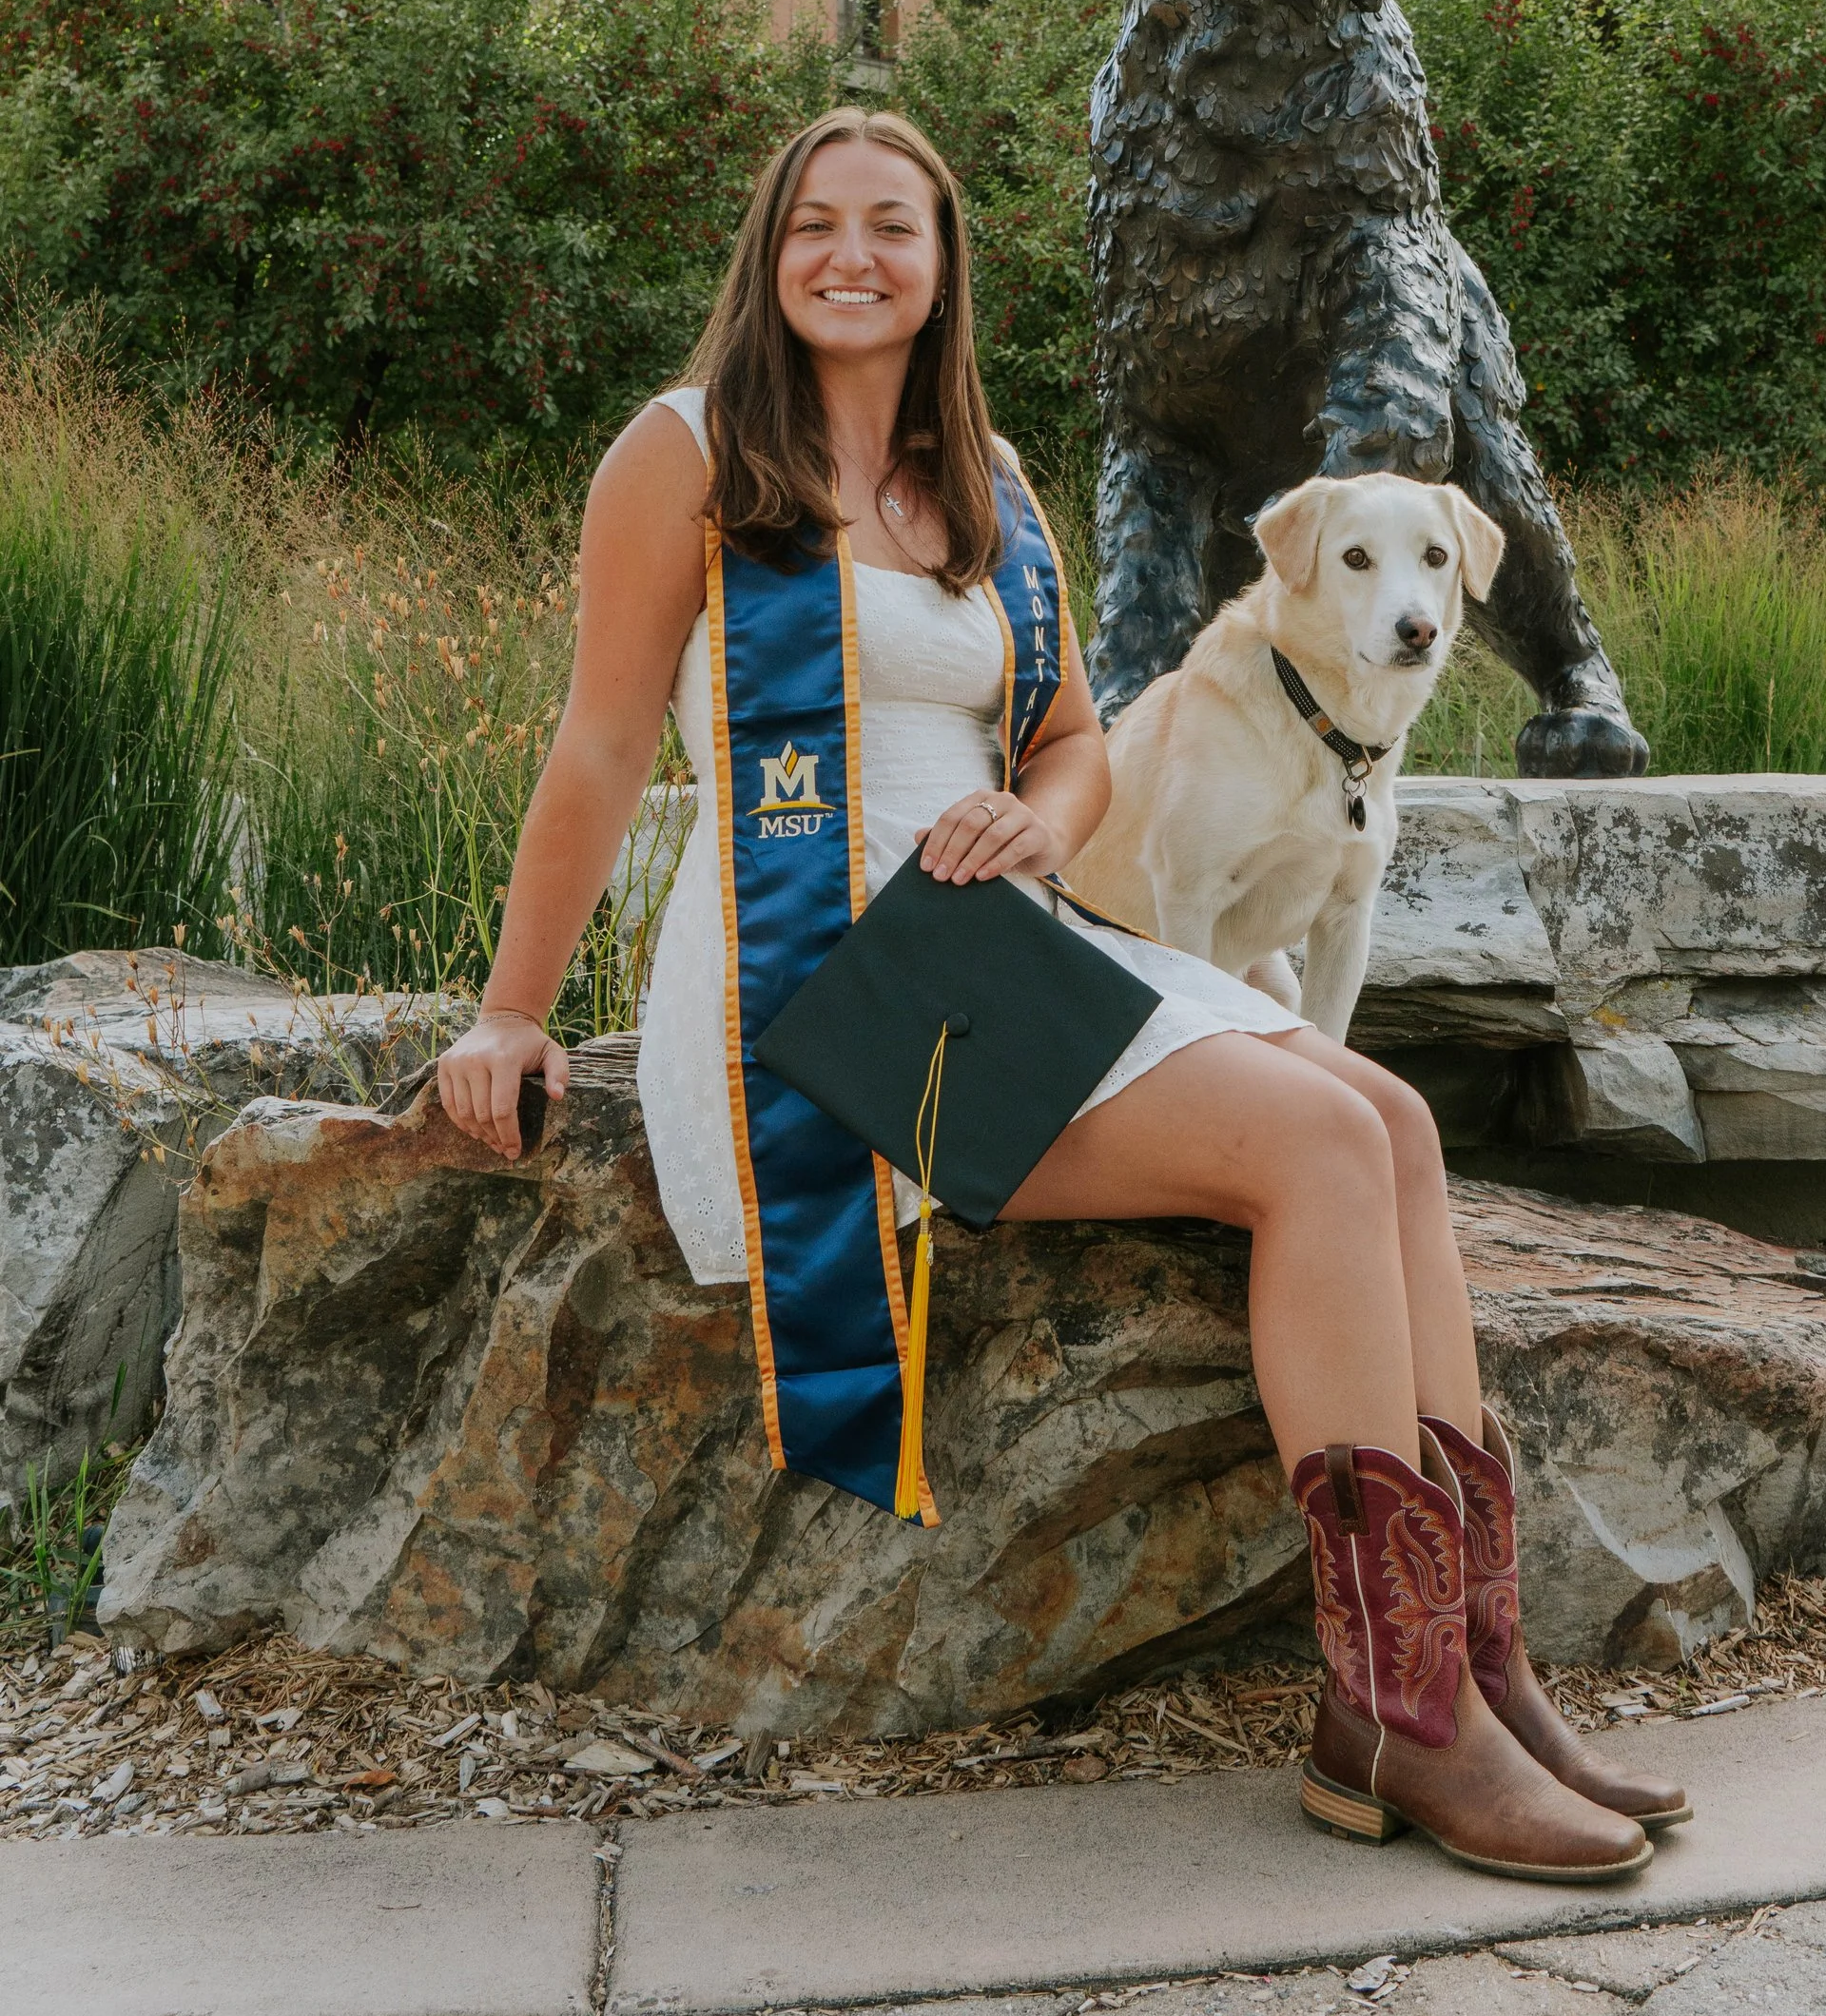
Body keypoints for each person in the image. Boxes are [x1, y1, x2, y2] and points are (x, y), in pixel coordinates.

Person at [437, 106, 1684, 1882]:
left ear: (942, 267)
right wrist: (509, 1009)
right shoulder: (688, 456)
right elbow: (598, 743)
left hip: (994, 935)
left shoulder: (990, 480)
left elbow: (1076, 746)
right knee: (1313, 1156)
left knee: (1388, 1119)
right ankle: (1394, 1715)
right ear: (767, 257)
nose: (851, 256)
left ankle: (1472, 1661)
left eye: (894, 226)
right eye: (816, 227)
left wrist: (1040, 818)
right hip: (821, 975)